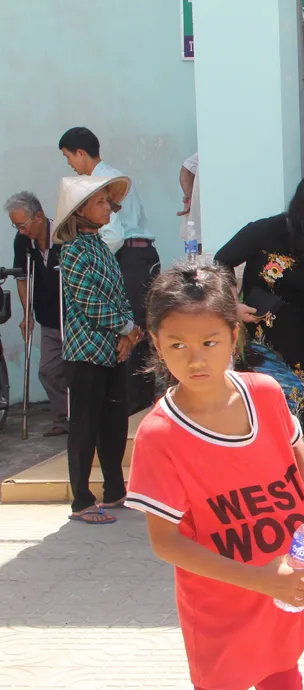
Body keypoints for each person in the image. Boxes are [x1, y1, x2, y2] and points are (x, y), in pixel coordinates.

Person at [125, 258, 304, 690]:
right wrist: (260, 579)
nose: (195, 359)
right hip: (217, 609)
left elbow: (295, 448)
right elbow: (165, 542)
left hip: (281, 590)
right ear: (156, 343)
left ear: (234, 336)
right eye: (177, 344)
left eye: (209, 342)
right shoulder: (159, 434)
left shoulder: (264, 393)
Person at [215, 174, 304, 465]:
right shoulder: (266, 230)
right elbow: (222, 260)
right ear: (302, 210)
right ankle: (264, 473)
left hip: (295, 326)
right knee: (260, 402)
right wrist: (232, 306)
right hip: (256, 329)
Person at [53, 174, 143, 525]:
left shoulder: (101, 247)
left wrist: (128, 335)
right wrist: (127, 329)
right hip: (86, 352)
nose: (108, 208)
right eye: (101, 202)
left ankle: (115, 490)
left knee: (113, 423)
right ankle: (81, 500)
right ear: (81, 210)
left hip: (112, 349)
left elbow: (120, 296)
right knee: (85, 426)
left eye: (108, 201)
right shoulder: (73, 251)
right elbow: (89, 303)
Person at [59, 126, 159, 414]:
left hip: (129, 258)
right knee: (135, 332)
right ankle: (137, 407)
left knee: (132, 335)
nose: (70, 164)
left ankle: (133, 410)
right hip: (139, 256)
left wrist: (96, 261)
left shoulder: (100, 183)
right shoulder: (110, 175)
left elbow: (112, 236)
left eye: (68, 157)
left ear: (80, 153)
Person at [5, 192, 67, 436]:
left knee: (77, 371)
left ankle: (82, 419)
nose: (21, 231)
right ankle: (64, 417)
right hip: (48, 317)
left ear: (39, 217)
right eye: (16, 226)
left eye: (23, 225)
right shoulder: (23, 242)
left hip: (72, 317)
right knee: (48, 371)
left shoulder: (63, 237)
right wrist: (27, 314)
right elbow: (22, 278)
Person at [177, 152, 201, 250]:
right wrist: (189, 196)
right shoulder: (209, 147)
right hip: (197, 227)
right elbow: (187, 167)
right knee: (195, 250)